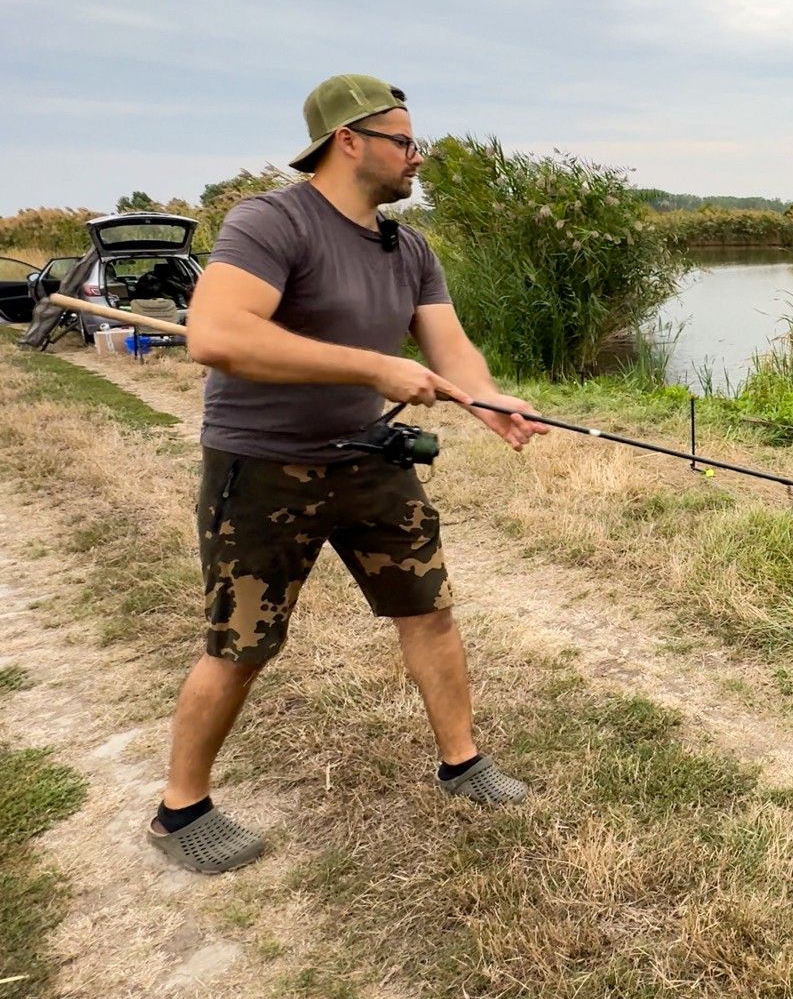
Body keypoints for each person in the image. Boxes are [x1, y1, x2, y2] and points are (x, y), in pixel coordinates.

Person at [147, 74, 550, 874]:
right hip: (262, 468)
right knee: (242, 645)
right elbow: (218, 335)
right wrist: (371, 363)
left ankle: (463, 763)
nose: (417, 157)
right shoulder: (270, 222)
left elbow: (448, 345)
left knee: (428, 611)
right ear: (350, 141)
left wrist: (483, 399)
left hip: (369, 458)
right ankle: (179, 808)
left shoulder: (409, 246)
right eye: (405, 141)